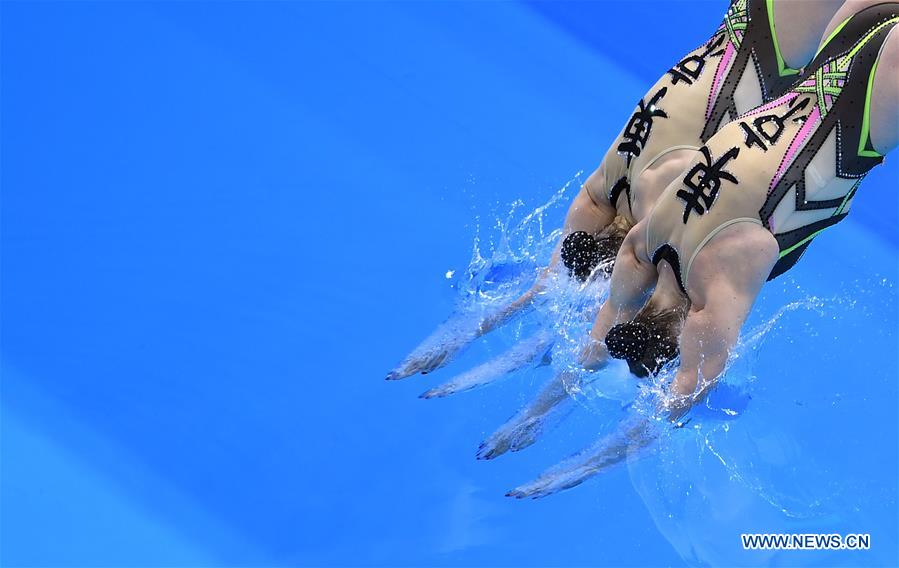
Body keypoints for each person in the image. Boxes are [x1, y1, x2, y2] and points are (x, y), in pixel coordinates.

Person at [508, 0, 899, 499]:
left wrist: (581, 468)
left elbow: (687, 391)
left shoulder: (724, 274)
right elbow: (598, 334)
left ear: (686, 329)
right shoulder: (644, 239)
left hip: (857, 110)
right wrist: (535, 415)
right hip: (783, 38)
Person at [388, 0, 843, 385]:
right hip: (747, 33)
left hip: (780, 61)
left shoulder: (661, 203)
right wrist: (464, 343)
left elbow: (598, 298)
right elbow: (548, 285)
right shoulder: (600, 195)